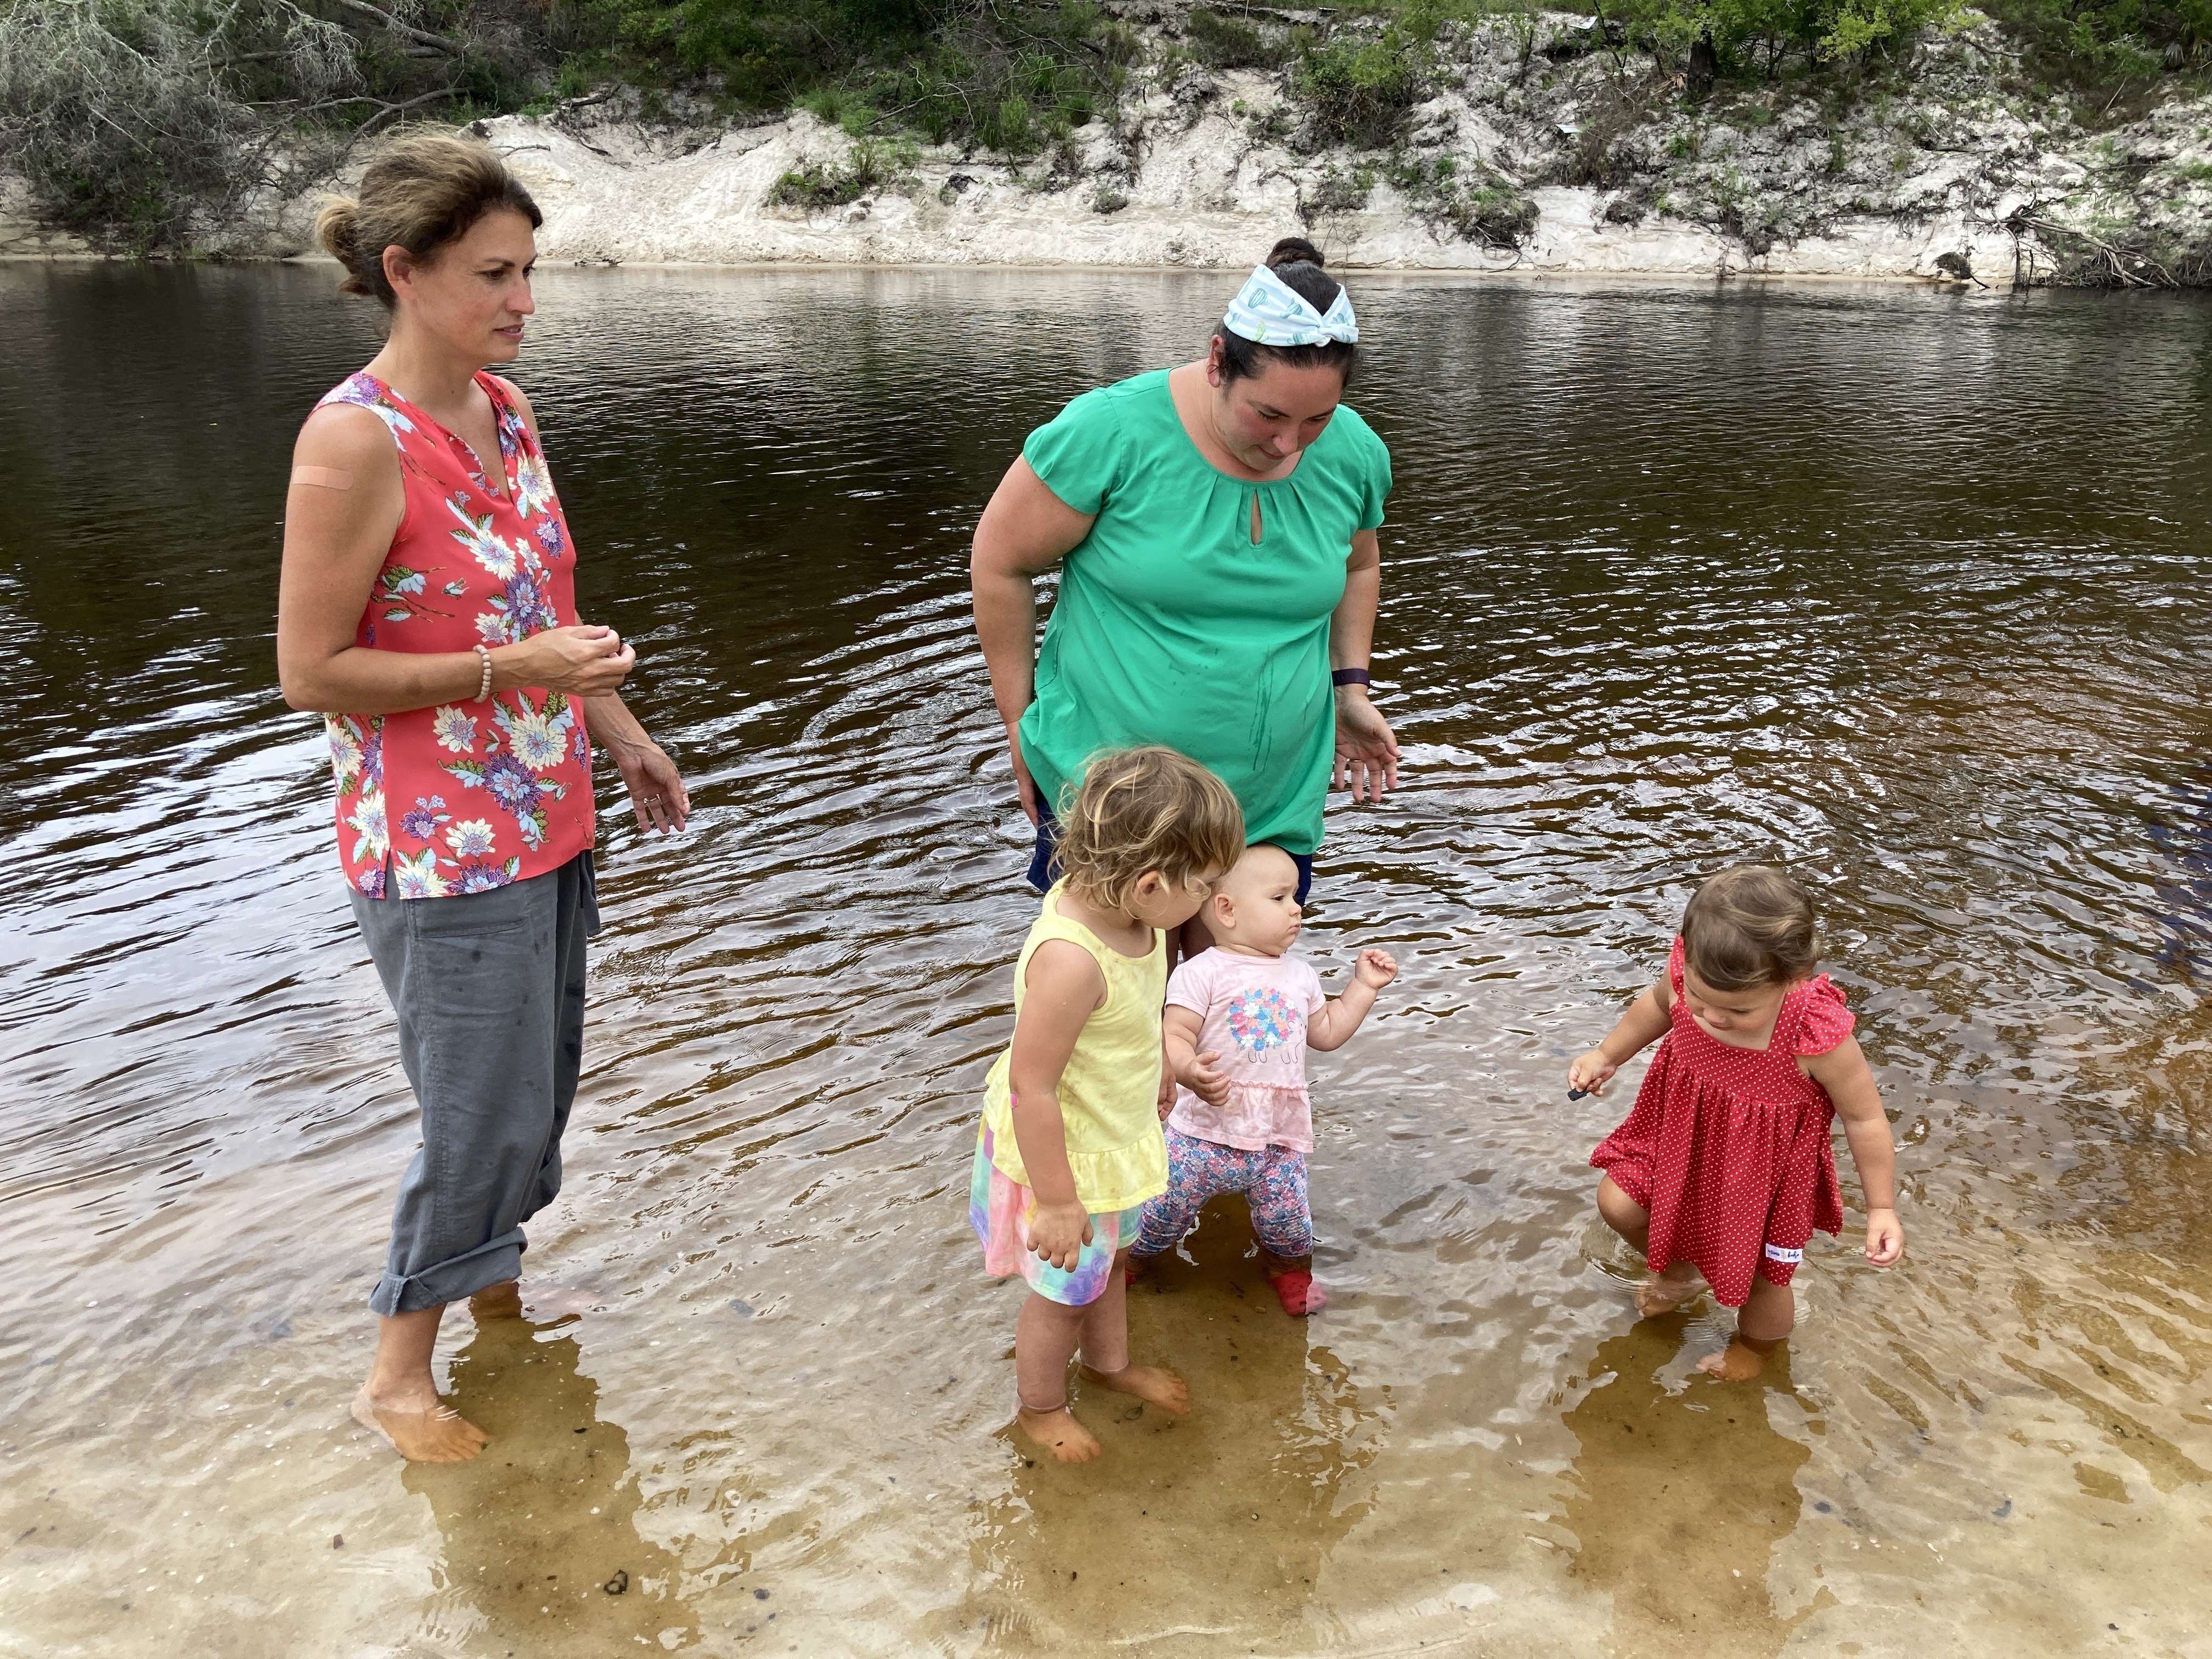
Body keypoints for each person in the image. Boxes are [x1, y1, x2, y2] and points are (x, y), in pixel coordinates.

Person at [276, 129, 689, 1463]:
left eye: (528, 272)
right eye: (493, 275)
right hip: (439, 844)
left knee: (542, 1083)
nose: (523, 301)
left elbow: (543, 606)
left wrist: (615, 722)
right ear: (404, 273)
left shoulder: (507, 412)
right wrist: (518, 670)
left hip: (547, 804)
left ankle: (493, 1295)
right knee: (479, 1107)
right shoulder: (355, 441)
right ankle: (397, 1372)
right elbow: (309, 673)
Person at [970, 235, 1398, 927]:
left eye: (1316, 418)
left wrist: (1350, 687)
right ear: (1216, 362)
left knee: (1234, 1005)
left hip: (1271, 799)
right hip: (1116, 798)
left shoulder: (1353, 453)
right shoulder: (1109, 433)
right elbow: (999, 562)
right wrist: (1020, 723)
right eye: (1268, 415)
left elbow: (1358, 565)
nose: (1290, 444)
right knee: (1110, 1009)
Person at [969, 747, 1244, 1464]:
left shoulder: (1138, 919)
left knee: (1110, 1265)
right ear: (1151, 883)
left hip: (1111, 1131)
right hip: (1064, 1154)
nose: (1215, 901)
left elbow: (1134, 1009)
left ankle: (1108, 1366)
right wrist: (1058, 1201)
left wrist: (1156, 1064)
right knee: (1063, 1294)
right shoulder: (1072, 959)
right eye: (1207, 886)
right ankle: (1040, 1407)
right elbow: (1033, 1087)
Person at [1568, 866, 1905, 1381]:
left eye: (1737, 1010)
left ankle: (1756, 1352)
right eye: (1700, 1001)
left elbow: (1865, 1120)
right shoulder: (1688, 973)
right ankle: (1682, 1273)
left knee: (1761, 1281)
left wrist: (1881, 1207)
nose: (1711, 1018)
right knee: (1618, 1201)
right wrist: (1606, 1054)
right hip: (1682, 1138)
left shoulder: (1813, 1034)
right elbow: (1657, 1005)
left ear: (1792, 981)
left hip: (1761, 1176)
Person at [1128, 844, 1397, 1315]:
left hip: (1278, 1136)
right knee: (1161, 1212)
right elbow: (1174, 1032)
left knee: (1289, 1223)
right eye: (1279, 898)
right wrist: (1188, 1070)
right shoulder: (1200, 972)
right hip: (1202, 1134)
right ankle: (1131, 1262)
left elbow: (1328, 1031)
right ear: (1227, 910)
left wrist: (1363, 988)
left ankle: (1290, 1272)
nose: (1297, 908)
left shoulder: (1300, 975)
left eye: (1296, 897)